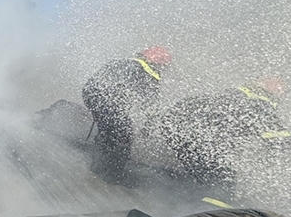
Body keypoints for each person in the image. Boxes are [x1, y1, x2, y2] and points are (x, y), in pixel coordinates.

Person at [160, 77, 288, 185]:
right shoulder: (260, 105)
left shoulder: (233, 93)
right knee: (223, 184)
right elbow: (276, 136)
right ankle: (207, 210)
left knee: (197, 171)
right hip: (201, 143)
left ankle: (169, 187)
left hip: (178, 131)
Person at [82, 46, 172, 183]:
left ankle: (99, 165)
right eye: (164, 66)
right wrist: (148, 126)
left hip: (91, 92)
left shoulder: (124, 62)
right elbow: (150, 104)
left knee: (109, 130)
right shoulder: (150, 73)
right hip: (106, 97)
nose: (164, 69)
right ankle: (112, 174)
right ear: (158, 63)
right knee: (123, 133)